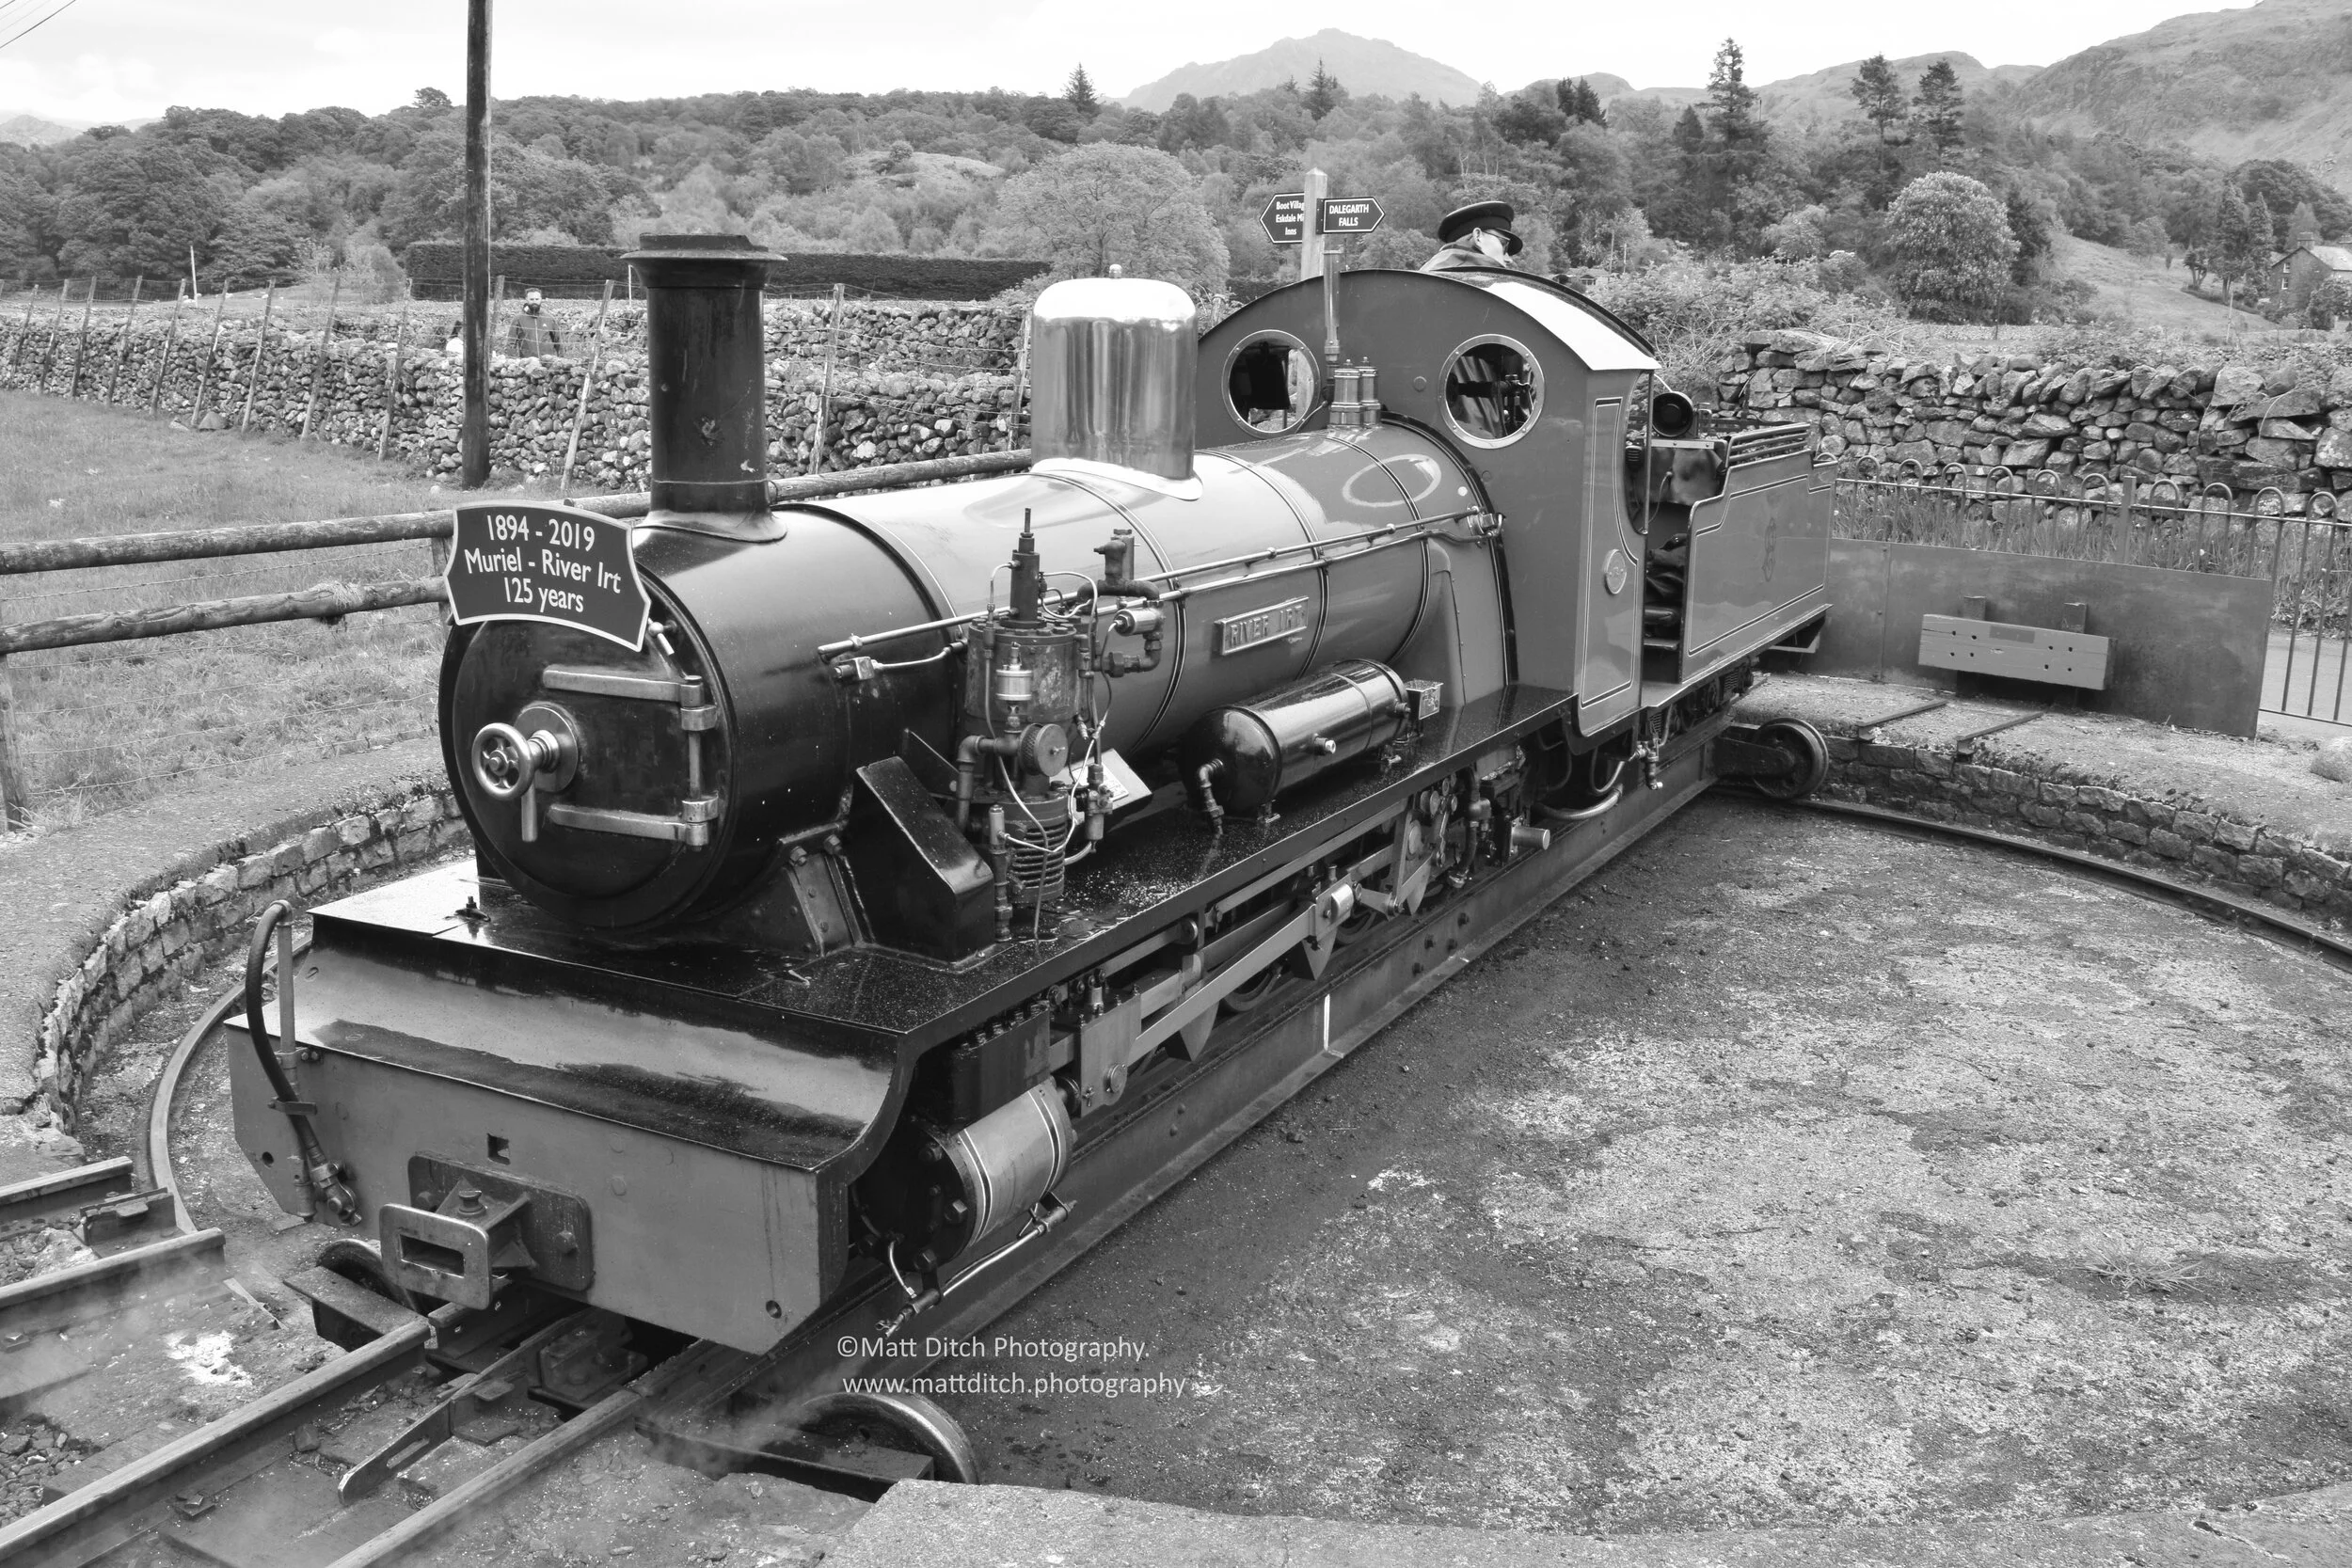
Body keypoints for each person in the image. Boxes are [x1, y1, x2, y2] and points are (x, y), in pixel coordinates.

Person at [1422, 201, 1525, 274]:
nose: (1509, 260)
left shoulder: (1424, 276)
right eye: (1504, 246)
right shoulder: (1479, 285)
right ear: (1478, 237)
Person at [504, 289, 565, 358]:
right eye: (532, 299)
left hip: (547, 363)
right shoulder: (518, 319)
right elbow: (511, 342)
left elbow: (558, 341)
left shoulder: (550, 319)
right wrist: (512, 360)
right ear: (526, 299)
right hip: (527, 364)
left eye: (537, 299)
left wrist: (561, 359)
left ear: (541, 299)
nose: (534, 302)